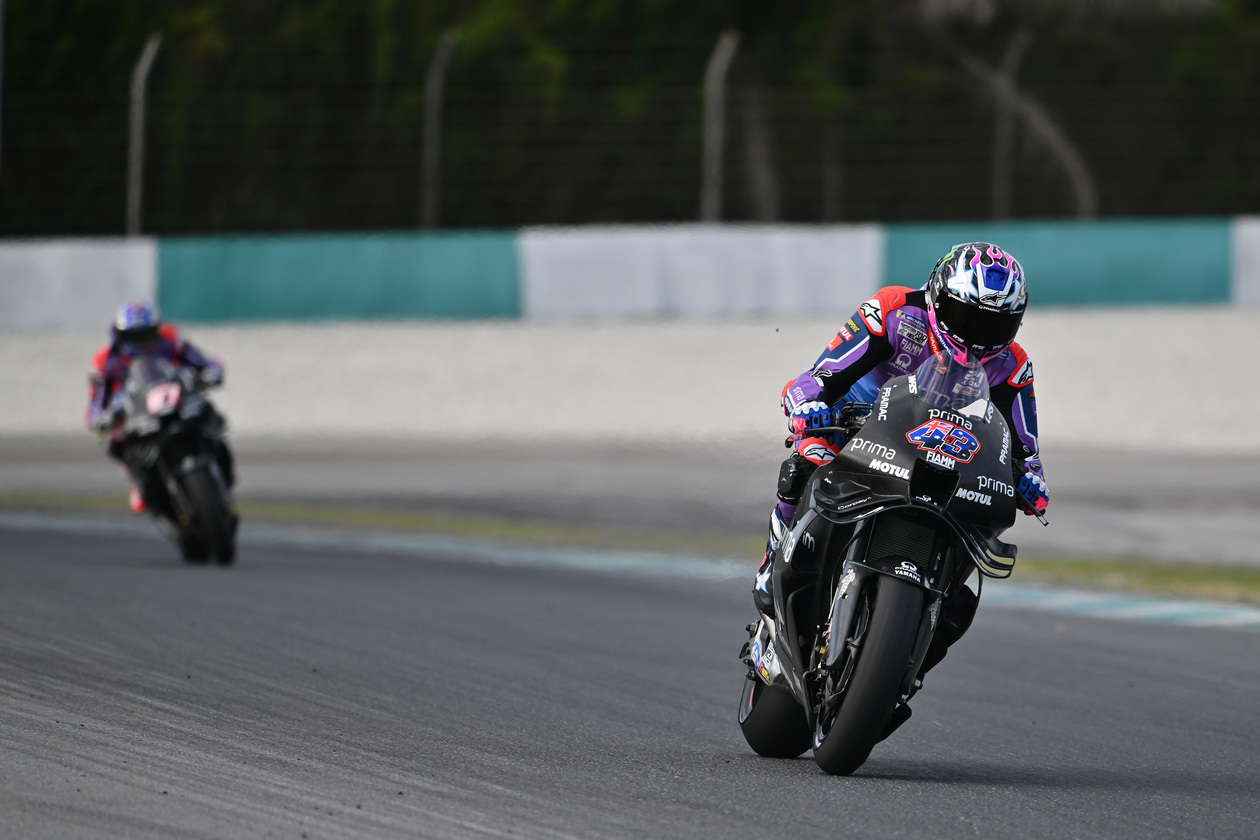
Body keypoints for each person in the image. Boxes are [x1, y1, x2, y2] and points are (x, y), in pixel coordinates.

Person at [753, 242, 1048, 616]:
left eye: (995, 325)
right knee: (808, 461)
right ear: (937, 297)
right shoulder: (893, 310)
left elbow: (1025, 451)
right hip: (855, 425)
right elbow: (821, 375)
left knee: (978, 522)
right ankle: (774, 557)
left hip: (944, 450)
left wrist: (1030, 481)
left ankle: (937, 602)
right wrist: (808, 404)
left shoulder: (1013, 366)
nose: (977, 335)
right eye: (965, 316)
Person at [86, 301, 227, 514]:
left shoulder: (171, 338)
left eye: (146, 334)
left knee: (207, 410)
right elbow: (97, 401)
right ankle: (136, 480)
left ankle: (215, 447)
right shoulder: (105, 361)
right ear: (119, 335)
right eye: (133, 336)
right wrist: (99, 417)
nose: (141, 341)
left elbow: (201, 360)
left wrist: (211, 371)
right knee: (114, 441)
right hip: (136, 412)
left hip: (176, 398)